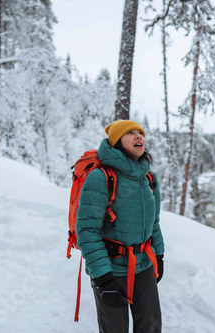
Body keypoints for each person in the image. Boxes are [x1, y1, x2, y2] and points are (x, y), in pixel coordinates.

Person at [76, 119, 165, 333]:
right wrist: (103, 277)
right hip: (111, 270)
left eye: (140, 132)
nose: (138, 136)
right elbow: (87, 230)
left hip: (144, 266)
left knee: (151, 328)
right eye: (130, 133)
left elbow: (154, 222)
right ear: (116, 142)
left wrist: (159, 256)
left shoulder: (149, 178)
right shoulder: (101, 177)